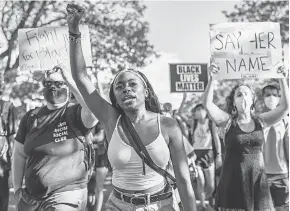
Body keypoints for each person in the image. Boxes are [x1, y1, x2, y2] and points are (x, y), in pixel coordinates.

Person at [66, 3, 196, 211]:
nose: (126, 89)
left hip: (162, 205)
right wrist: (74, 31)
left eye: (132, 84)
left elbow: (184, 181)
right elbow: (81, 77)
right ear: (115, 99)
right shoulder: (110, 119)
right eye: (119, 86)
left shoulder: (168, 125)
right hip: (118, 206)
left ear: (146, 92)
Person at [203, 62, 289, 211]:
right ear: (234, 103)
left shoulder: (261, 121)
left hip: (258, 183)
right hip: (232, 182)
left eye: (246, 94)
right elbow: (207, 104)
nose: (243, 97)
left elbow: (285, 107)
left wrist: (283, 78)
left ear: (252, 101)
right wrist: (211, 78)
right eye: (239, 94)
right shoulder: (227, 122)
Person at [12, 65, 98, 211]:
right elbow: (19, 154)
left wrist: (70, 79)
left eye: (59, 83)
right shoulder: (31, 117)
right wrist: (17, 189)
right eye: (48, 83)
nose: (53, 87)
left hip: (66, 196)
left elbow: (93, 112)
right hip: (30, 199)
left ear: (68, 87)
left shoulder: (75, 112)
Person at [262, 84, 289, 211]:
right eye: (267, 95)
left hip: (281, 173)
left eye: (274, 94)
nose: (271, 97)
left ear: (279, 98)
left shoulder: (286, 120)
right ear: (262, 98)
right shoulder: (257, 120)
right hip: (261, 174)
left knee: (281, 208)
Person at [0, 88, 17, 211]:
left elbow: (12, 135)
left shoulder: (8, 106)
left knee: (2, 186)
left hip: (2, 150)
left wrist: (14, 155)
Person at [87, 122, 109, 211]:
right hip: (87, 157)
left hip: (101, 157)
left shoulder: (100, 120)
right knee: (86, 187)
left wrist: (89, 138)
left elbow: (100, 136)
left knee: (99, 187)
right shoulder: (84, 118)